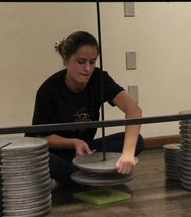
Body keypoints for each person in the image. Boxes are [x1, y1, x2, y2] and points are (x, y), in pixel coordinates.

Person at [27, 30, 144, 185]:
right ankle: (87, 174)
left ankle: (73, 177)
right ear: (66, 60)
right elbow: (42, 137)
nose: (88, 68)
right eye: (81, 62)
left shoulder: (99, 78)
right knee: (40, 160)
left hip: (85, 152)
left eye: (92, 62)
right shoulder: (48, 90)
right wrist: (74, 142)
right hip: (55, 152)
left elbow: (133, 109)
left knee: (137, 141)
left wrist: (128, 153)